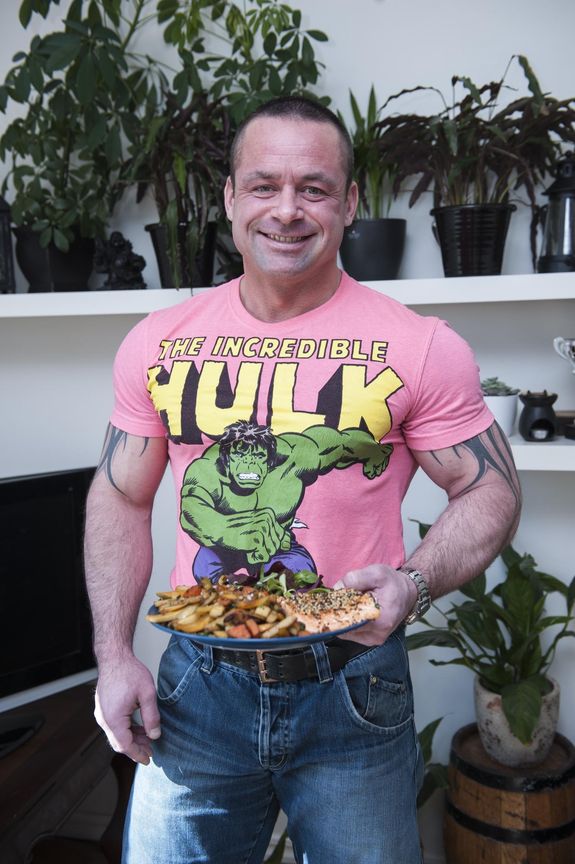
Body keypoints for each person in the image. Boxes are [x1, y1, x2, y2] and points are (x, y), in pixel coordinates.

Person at [84, 96, 521, 864]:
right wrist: (114, 656)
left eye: (312, 189)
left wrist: (413, 583)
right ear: (230, 198)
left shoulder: (418, 346)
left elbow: (490, 488)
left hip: (351, 687)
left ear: (348, 203)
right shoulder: (158, 342)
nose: (286, 210)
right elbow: (121, 494)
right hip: (198, 686)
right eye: (264, 185)